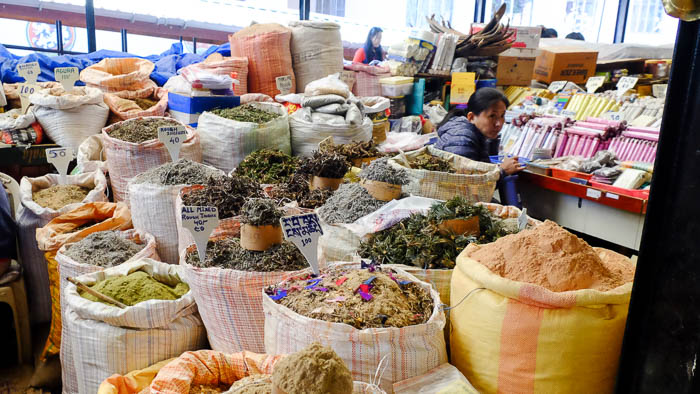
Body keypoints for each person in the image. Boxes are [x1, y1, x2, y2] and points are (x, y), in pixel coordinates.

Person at [434, 87, 524, 177]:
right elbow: (466, 183)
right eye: (492, 116)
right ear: (471, 117)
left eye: (502, 115)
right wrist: (502, 171)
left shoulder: (475, 134)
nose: (499, 123)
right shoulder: (462, 139)